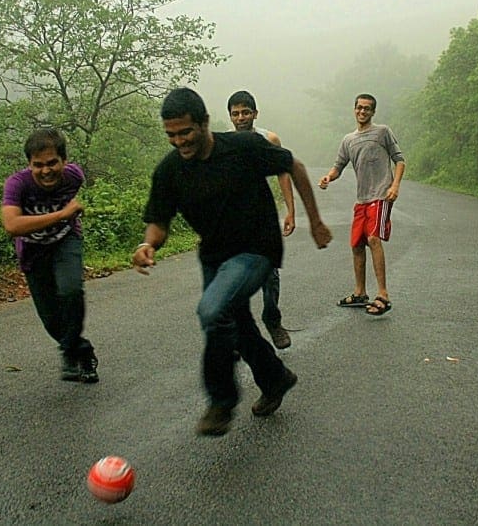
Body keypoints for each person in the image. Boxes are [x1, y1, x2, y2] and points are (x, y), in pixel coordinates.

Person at [133, 87, 332, 437]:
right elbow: (159, 223)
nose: (179, 142)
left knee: (212, 311)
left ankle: (221, 400)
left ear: (205, 123)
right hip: (215, 257)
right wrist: (148, 245)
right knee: (234, 324)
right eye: (171, 135)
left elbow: (295, 167)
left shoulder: (244, 148)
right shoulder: (169, 171)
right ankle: (275, 379)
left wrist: (314, 221)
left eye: (185, 132)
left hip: (256, 250)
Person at [1, 128, 99, 383]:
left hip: (66, 241)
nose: (46, 170)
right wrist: (61, 215)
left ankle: (70, 353)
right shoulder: (17, 184)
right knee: (51, 320)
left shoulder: (74, 177)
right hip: (33, 252)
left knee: (70, 291)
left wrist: (66, 220)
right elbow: (12, 226)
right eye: (38, 165)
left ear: (64, 161)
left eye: (52, 163)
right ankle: (82, 351)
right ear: (29, 164)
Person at [318, 94, 405, 316]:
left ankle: (383, 294)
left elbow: (400, 160)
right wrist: (328, 177)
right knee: (357, 244)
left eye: (367, 109)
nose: (363, 112)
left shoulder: (382, 132)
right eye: (359, 108)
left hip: (381, 196)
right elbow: (339, 165)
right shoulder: (348, 140)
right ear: (354, 109)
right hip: (362, 199)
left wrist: (394, 186)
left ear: (373, 112)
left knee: (374, 239)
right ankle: (360, 293)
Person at [227, 90, 294, 350]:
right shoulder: (224, 144)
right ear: (230, 117)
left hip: (262, 219)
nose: (241, 117)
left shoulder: (269, 139)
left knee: (270, 275)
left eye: (245, 112)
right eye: (236, 113)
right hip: (233, 222)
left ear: (255, 114)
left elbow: (284, 173)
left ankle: (272, 318)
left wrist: (290, 210)